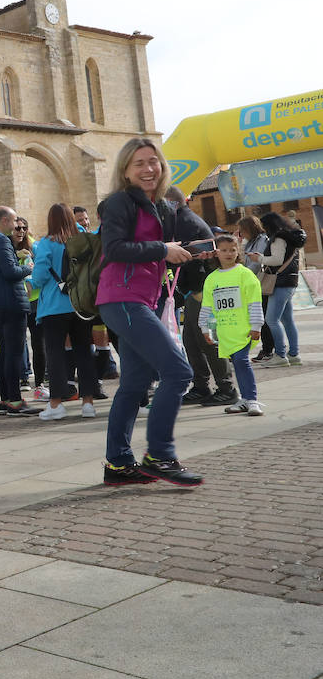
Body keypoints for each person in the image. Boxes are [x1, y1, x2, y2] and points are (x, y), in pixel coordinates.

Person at [97, 137, 201, 488]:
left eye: (153, 161)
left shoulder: (162, 207)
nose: (148, 168)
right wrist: (162, 249)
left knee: (134, 384)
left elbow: (159, 251)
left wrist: (188, 252)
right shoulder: (118, 203)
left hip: (146, 299)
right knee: (178, 371)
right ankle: (160, 454)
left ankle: (118, 464)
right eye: (139, 163)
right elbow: (114, 248)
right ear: (125, 170)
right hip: (121, 298)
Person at [165, 187, 236, 406]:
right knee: (192, 341)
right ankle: (201, 386)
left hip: (202, 290)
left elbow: (181, 255)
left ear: (172, 203)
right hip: (195, 289)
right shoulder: (182, 219)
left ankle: (227, 388)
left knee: (208, 340)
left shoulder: (185, 222)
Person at [30, 204, 99, 420]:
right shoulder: (85, 240)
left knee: (55, 353)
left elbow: (40, 276)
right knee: (84, 352)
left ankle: (56, 404)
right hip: (80, 304)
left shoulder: (47, 244)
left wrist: (30, 280)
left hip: (54, 305)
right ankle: (88, 403)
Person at [0, 207, 39, 416]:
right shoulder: (1, 241)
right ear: (4, 220)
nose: (15, 227)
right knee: (13, 353)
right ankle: (14, 400)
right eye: (13, 222)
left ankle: (6, 399)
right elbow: (11, 272)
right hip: (11, 301)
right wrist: (28, 267)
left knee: (3, 352)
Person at [199, 235, 265, 415]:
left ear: (238, 252)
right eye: (224, 250)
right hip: (225, 332)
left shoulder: (245, 274)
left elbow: (254, 302)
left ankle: (252, 400)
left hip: (243, 330)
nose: (229, 253)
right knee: (237, 363)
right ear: (216, 253)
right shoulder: (211, 279)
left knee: (242, 361)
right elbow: (208, 306)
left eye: (233, 250)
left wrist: (256, 326)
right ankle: (244, 399)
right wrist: (206, 328)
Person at [251, 212, 306, 367]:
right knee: (287, 320)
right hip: (290, 280)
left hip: (280, 282)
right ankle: (294, 354)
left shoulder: (279, 238)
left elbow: (277, 259)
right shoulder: (290, 238)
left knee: (271, 319)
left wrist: (259, 258)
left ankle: (280, 355)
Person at [11, 217, 44, 394]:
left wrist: (32, 282)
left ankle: (40, 381)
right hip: (17, 300)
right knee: (19, 341)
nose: (21, 231)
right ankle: (24, 376)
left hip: (36, 300)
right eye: (17, 228)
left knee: (39, 342)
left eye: (24, 227)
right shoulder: (7, 248)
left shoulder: (35, 247)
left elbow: (42, 270)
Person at [237, 215, 274, 361]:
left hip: (258, 282)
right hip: (251, 281)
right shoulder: (250, 241)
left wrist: (244, 275)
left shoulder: (262, 240)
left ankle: (268, 349)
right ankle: (266, 348)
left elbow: (257, 262)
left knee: (263, 317)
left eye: (242, 230)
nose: (241, 234)